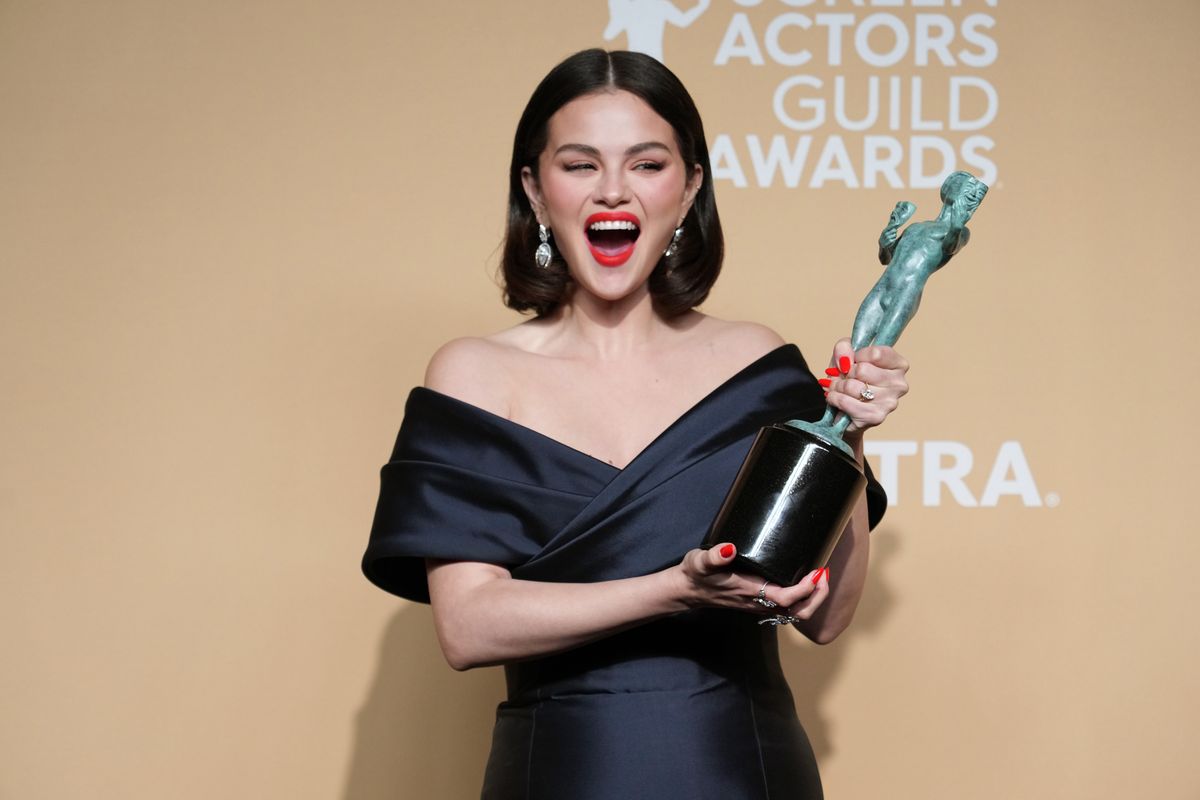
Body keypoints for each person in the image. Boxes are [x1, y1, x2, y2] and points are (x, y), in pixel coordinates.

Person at [363, 49, 910, 799]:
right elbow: (468, 629)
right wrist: (673, 590)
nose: (612, 191)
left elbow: (827, 617)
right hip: (562, 773)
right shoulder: (474, 373)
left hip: (743, 772)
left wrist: (846, 435)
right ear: (535, 187)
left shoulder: (755, 360)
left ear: (688, 189)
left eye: (647, 165)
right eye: (580, 165)